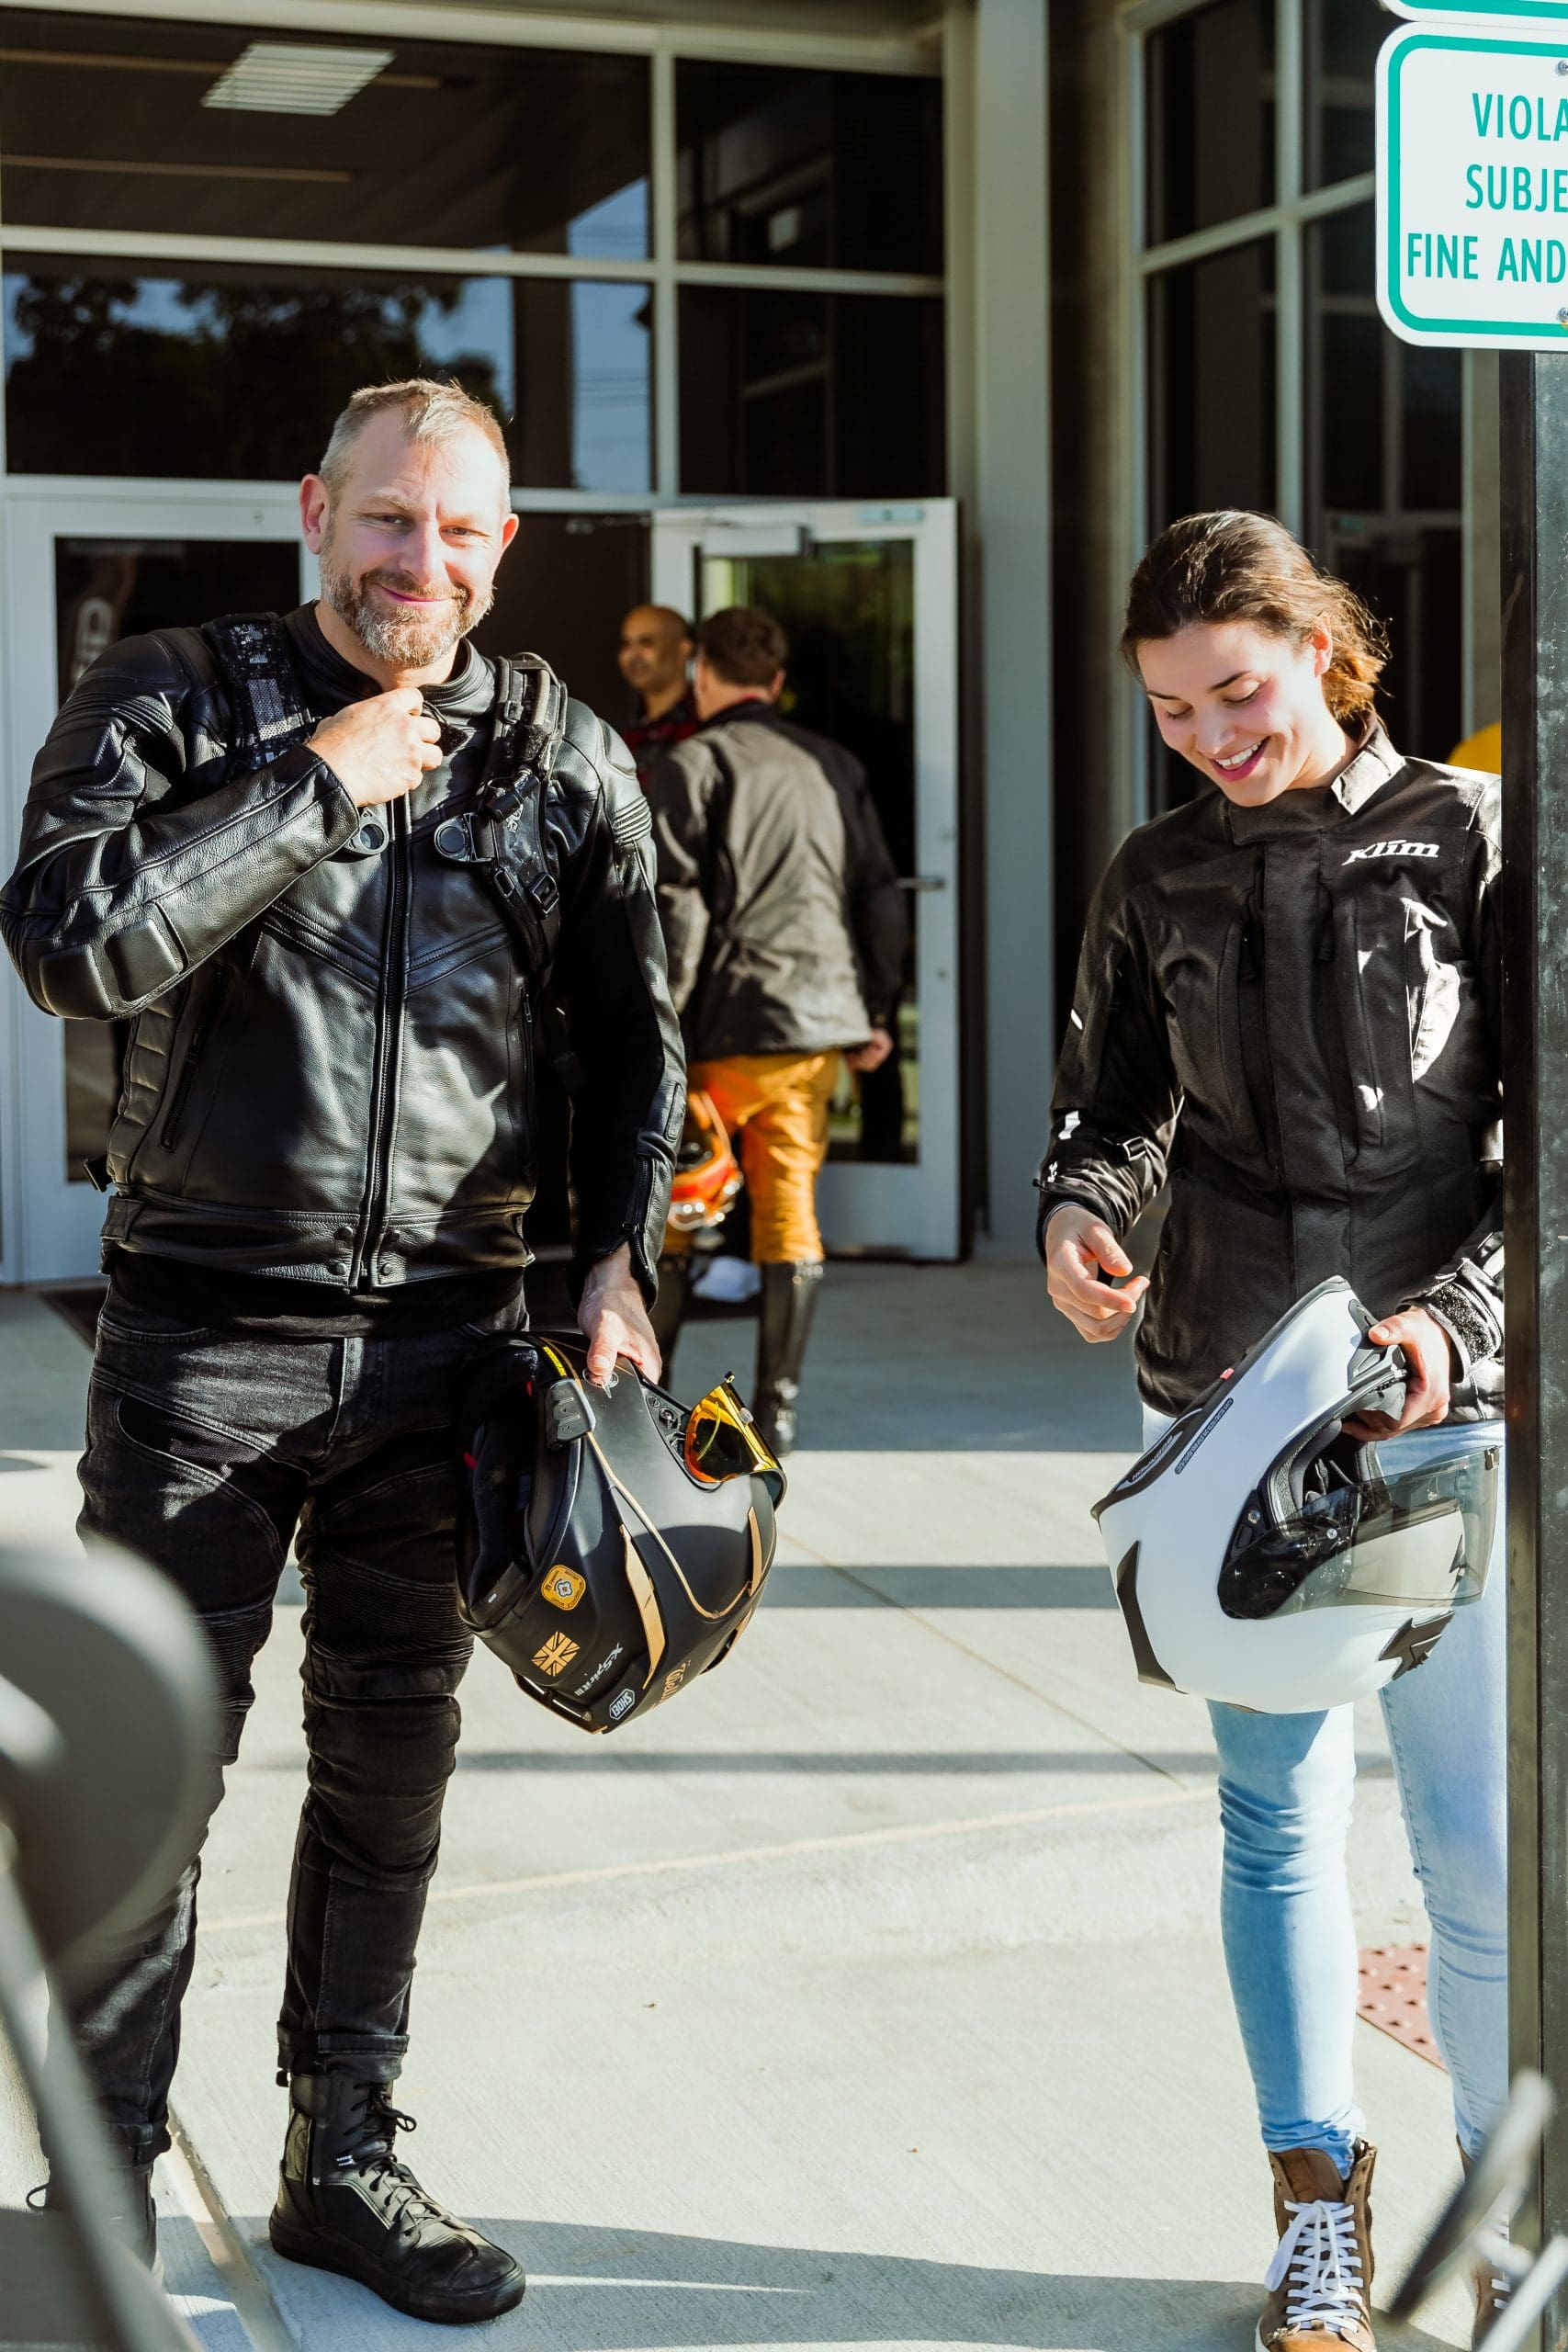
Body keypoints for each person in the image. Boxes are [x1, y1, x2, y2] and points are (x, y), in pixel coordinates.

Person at [1, 378, 683, 2325]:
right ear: (318, 509)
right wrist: (314, 778)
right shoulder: (179, 693)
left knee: (392, 1762)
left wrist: (620, 1252)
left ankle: (343, 2153)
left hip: (452, 1354)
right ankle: (96, 2187)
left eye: (460, 532)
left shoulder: (561, 757)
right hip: (204, 1337)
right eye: (389, 521)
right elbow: (65, 935)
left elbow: (632, 1037)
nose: (423, 565)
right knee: (152, 1774)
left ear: (503, 542)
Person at [1037, 511, 1506, 2352]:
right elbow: (1117, 1108)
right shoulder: (1153, 872)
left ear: (1319, 644)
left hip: (1429, 1402)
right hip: (1227, 1399)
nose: (1212, 739)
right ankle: (1317, 2205)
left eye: (1234, 691)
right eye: (1171, 713)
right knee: (1275, 1815)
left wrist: (1452, 1324)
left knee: (1469, 1843)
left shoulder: (1465, 840)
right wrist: (1087, 1210)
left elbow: (1539, 1140)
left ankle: (1499, 2212)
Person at [646, 605, 904, 1453]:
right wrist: (874, 1006)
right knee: (789, 1216)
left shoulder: (694, 760)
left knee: (680, 1211)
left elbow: (679, 903)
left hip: (726, 1024)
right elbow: (876, 888)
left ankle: (647, 1395)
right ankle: (775, 1413)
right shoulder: (830, 762)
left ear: (703, 675)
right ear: (779, 682)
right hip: (817, 1028)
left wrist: (664, 1021)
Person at [618, 602, 698, 786]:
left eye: (646, 642)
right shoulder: (628, 730)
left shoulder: (703, 725)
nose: (632, 655)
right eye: (626, 644)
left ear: (684, 649)